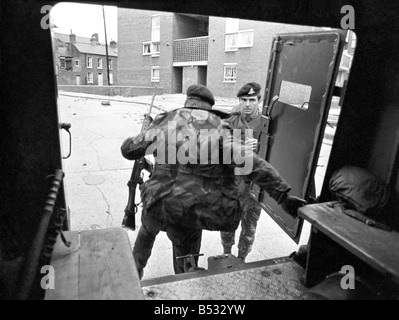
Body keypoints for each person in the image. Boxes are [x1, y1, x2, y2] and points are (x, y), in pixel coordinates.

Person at [121, 84, 306, 279]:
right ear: (208, 109)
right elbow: (251, 163)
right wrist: (283, 196)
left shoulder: (163, 122)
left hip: (157, 205)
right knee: (186, 263)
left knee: (144, 241)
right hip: (190, 212)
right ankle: (184, 283)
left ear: (187, 105)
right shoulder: (219, 129)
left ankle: (131, 279)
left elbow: (128, 150)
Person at [220, 82, 265, 262]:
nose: (247, 104)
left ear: (258, 101)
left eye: (252, 100)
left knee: (249, 226)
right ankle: (226, 254)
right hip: (232, 183)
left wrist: (259, 146)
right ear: (239, 100)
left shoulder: (265, 123)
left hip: (254, 186)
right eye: (244, 100)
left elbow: (275, 151)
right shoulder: (230, 121)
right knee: (227, 224)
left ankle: (241, 259)